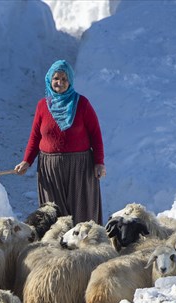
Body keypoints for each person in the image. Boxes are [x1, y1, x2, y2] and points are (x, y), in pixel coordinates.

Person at [14, 59, 106, 225]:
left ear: (70, 81)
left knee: (81, 213)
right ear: (50, 79)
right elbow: (35, 136)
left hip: (80, 167)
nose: (60, 82)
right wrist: (27, 161)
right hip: (50, 168)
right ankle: (55, 249)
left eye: (64, 79)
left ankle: (84, 249)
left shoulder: (82, 103)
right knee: (54, 216)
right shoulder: (42, 105)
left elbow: (95, 135)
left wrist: (99, 162)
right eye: (56, 78)